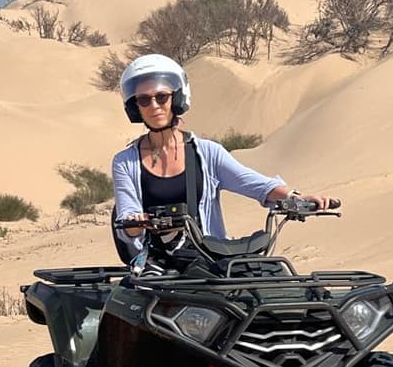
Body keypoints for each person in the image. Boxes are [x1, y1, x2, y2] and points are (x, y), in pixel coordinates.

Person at [111, 54, 332, 264]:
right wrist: (139, 223)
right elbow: (127, 220)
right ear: (134, 107)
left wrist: (295, 197)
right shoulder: (125, 162)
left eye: (161, 97)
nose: (154, 106)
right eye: (143, 100)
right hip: (157, 265)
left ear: (176, 98)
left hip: (209, 259)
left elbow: (255, 184)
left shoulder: (208, 153)